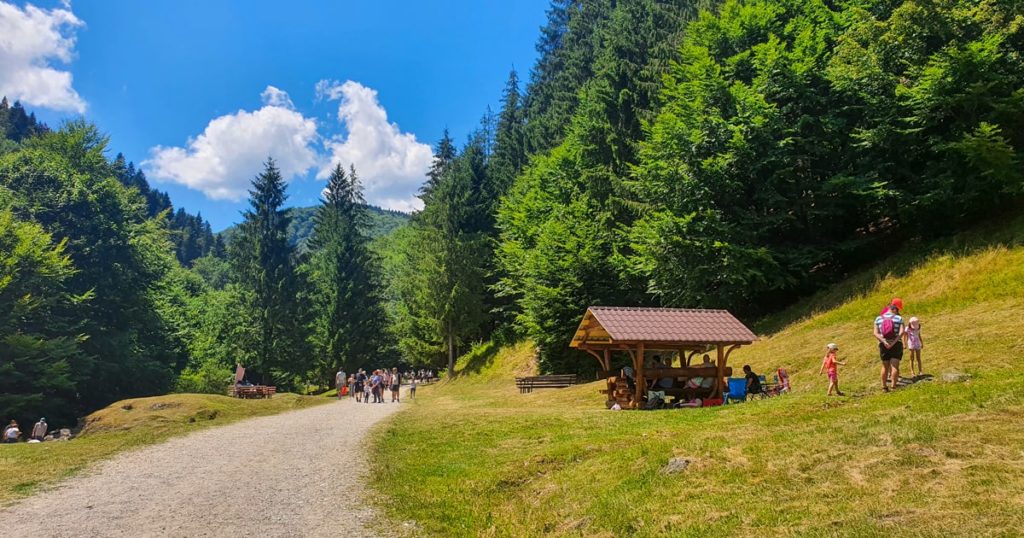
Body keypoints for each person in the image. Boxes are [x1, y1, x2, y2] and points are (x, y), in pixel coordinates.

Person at [874, 301, 907, 392]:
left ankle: (884, 386)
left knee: (885, 366)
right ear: (894, 309)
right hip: (896, 344)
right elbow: (901, 332)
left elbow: (875, 333)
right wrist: (894, 342)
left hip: (884, 345)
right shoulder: (899, 318)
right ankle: (893, 386)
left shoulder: (878, 318)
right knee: (894, 366)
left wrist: (884, 341)